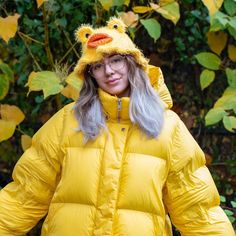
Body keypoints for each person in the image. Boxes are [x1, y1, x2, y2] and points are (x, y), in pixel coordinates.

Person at [0, 17, 234, 236]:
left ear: (132, 62)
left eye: (116, 60)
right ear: (90, 75)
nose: (109, 71)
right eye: (98, 66)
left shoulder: (168, 128)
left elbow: (198, 210)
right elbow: (24, 197)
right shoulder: (67, 121)